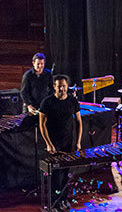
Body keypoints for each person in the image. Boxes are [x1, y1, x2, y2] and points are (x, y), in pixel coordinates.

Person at [39, 75, 83, 211]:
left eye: (64, 86)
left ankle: (63, 199)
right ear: (54, 86)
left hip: (67, 142)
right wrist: (48, 143)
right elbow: (42, 124)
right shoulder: (47, 102)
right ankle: (54, 203)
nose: (62, 89)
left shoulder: (73, 101)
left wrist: (78, 142)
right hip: (53, 143)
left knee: (65, 172)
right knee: (54, 175)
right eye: (59, 86)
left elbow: (79, 122)